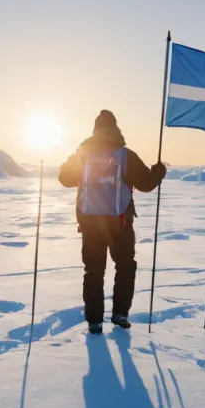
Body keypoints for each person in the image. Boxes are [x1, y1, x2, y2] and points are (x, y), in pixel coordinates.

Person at [59, 110, 167, 334]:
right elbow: (146, 184)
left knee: (94, 271)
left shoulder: (83, 154)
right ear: (116, 128)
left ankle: (94, 321)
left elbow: (64, 179)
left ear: (95, 129)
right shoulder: (126, 155)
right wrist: (158, 173)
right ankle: (120, 315)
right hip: (121, 224)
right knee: (126, 267)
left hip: (90, 223)